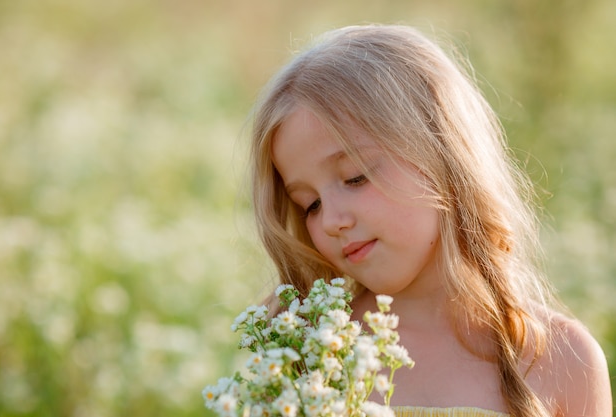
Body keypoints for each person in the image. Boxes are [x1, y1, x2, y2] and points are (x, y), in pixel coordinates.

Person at [246, 24, 612, 417]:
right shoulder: (310, 351)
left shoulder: (564, 359)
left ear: (441, 152)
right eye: (310, 205)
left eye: (356, 176)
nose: (332, 220)